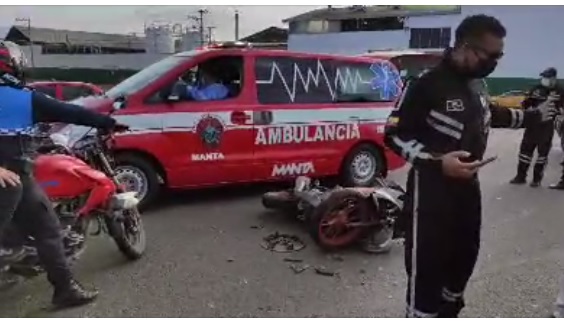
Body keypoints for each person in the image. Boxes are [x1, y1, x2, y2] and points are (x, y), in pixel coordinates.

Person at [384, 15, 557, 318]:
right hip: (430, 196)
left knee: (463, 261)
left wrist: (533, 116)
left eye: (499, 56)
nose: (495, 62)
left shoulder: (477, 82)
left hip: (468, 191)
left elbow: (491, 114)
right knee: (427, 274)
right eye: (491, 55)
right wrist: (438, 163)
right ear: (465, 47)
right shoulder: (426, 84)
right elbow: (394, 134)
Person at [0, 40, 129, 309]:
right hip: (12, 178)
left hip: (17, 178)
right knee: (47, 231)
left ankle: (64, 288)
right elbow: (71, 112)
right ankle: (64, 288)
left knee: (46, 228)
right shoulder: (25, 99)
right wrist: (110, 122)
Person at [509, 67, 564, 187]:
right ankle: (520, 176)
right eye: (544, 77)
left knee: (542, 155)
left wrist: (558, 112)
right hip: (532, 125)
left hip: (547, 126)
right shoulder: (536, 89)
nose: (545, 80)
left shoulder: (560, 91)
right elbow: (526, 104)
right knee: (525, 152)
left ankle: (536, 179)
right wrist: (529, 110)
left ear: (554, 78)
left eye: (548, 77)